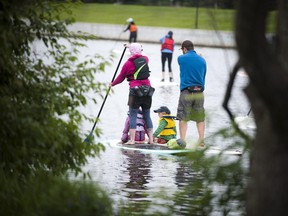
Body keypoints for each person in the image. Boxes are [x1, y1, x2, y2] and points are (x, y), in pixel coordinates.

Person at [110, 43, 154, 144]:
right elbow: (140, 53)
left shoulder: (127, 64)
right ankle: (151, 139)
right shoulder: (146, 59)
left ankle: (132, 140)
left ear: (131, 51)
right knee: (147, 115)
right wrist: (130, 46)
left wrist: (112, 84)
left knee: (133, 115)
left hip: (135, 91)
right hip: (148, 90)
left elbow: (121, 77)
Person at [176, 40, 207, 147]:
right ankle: (201, 141)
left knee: (183, 117)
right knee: (200, 118)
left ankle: (182, 141)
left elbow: (183, 62)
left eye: (182, 50)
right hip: (200, 92)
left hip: (187, 91)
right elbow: (203, 75)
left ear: (184, 49)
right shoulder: (203, 61)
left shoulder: (181, 58)